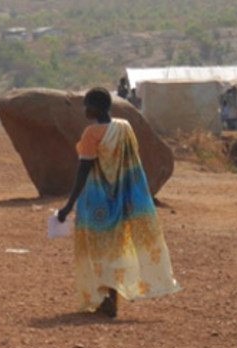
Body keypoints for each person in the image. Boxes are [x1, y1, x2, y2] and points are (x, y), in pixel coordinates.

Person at [56, 88, 180, 318]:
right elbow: (131, 162)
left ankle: (106, 298)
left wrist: (68, 205)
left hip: (95, 200)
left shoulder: (91, 134)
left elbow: (83, 171)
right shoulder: (124, 127)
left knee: (98, 249)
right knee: (115, 247)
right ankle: (111, 297)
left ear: (97, 106)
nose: (85, 110)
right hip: (122, 197)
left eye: (87, 105)